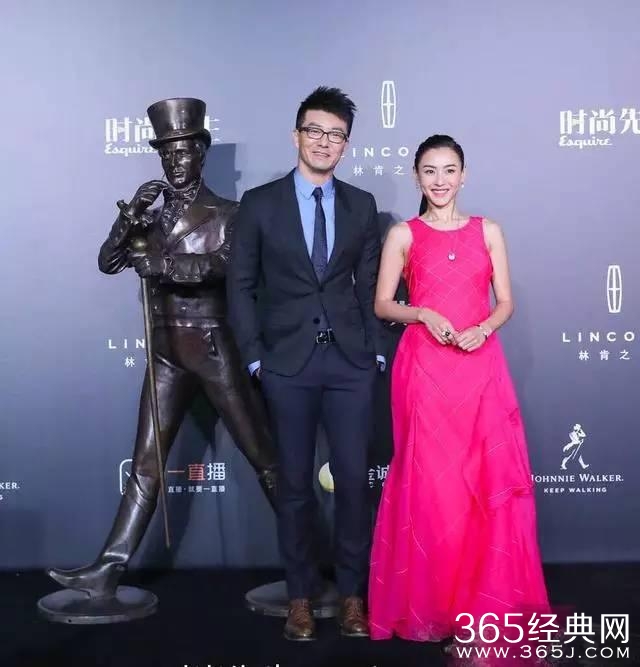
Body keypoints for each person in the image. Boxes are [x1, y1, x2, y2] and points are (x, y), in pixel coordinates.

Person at [48, 98, 277, 598]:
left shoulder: (230, 213)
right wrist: (130, 216)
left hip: (214, 348)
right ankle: (107, 570)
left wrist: (167, 267)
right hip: (165, 354)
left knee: (263, 456)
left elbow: (226, 265)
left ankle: (313, 563)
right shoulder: (148, 219)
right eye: (166, 154)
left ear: (201, 154)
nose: (174, 162)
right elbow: (108, 261)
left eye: (183, 152)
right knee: (146, 465)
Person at [368, 135, 550, 649]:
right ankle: (433, 606)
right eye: (430, 171)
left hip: (479, 368)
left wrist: (484, 328)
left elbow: (505, 301)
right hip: (424, 369)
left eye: (449, 170)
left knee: (481, 483)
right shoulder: (403, 234)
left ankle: (480, 609)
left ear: (464, 175)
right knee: (432, 487)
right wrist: (422, 312)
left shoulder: (488, 230)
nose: (440, 180)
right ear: (416, 177)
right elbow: (383, 304)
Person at [227, 87, 385, 641]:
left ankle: (352, 597)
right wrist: (255, 359)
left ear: (346, 145)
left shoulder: (361, 205)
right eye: (315, 131)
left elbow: (368, 285)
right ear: (296, 136)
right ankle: (299, 597)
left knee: (354, 484)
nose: (324, 142)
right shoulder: (259, 204)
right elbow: (240, 287)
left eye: (335, 135)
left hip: (350, 364)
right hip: (286, 365)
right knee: (294, 485)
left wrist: (373, 352)